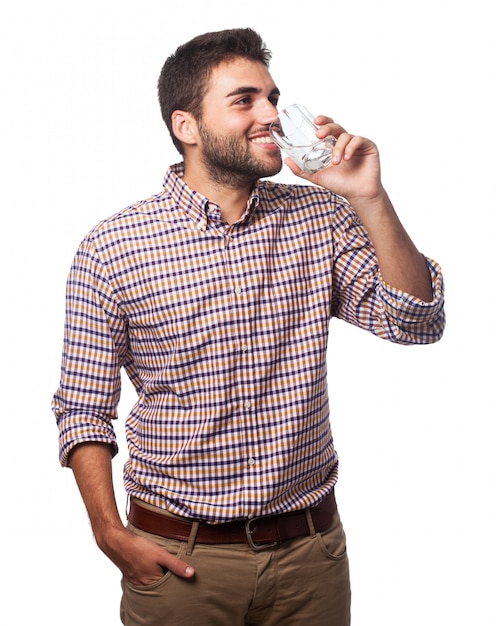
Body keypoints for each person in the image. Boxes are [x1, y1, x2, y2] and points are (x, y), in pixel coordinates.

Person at [52, 27, 445, 626]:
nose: (271, 115)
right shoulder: (112, 247)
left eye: (272, 97)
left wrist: (369, 197)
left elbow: (415, 321)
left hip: (311, 557)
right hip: (181, 563)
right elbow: (82, 406)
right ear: (187, 126)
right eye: (245, 101)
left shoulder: (319, 216)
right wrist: (109, 533)